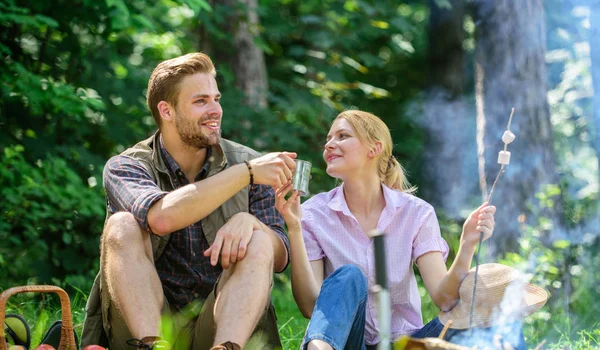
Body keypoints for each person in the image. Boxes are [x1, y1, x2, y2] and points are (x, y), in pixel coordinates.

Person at [81, 52, 297, 350]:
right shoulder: (126, 167)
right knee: (121, 226)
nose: (215, 110)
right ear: (166, 111)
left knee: (259, 239)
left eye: (216, 99)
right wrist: (244, 174)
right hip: (141, 328)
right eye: (200, 102)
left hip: (221, 323)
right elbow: (160, 218)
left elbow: (281, 256)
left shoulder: (250, 164)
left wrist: (252, 224)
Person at [274, 110, 527, 350]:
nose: (329, 144)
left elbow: (444, 299)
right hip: (347, 344)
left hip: (405, 344)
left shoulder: (416, 213)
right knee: (348, 276)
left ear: (375, 148)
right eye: (329, 138)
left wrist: (467, 244)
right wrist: (294, 228)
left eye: (342, 136)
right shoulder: (313, 214)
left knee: (490, 314)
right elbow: (310, 307)